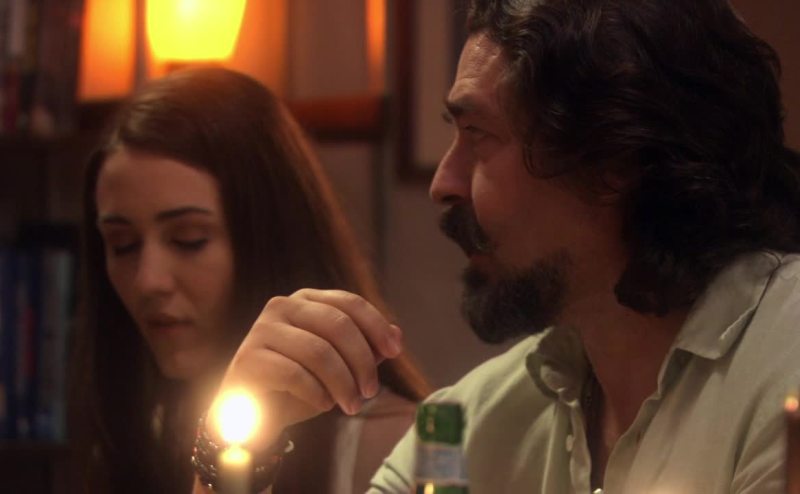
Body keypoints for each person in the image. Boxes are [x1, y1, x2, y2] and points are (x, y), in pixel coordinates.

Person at [229, 0, 800, 493]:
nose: (443, 183)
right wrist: (233, 447)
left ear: (617, 158)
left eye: (477, 135)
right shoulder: (469, 422)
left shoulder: (783, 369)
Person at [69, 66, 429, 494]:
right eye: (123, 244)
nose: (149, 281)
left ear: (270, 236)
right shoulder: (146, 426)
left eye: (189, 239)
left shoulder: (395, 446)